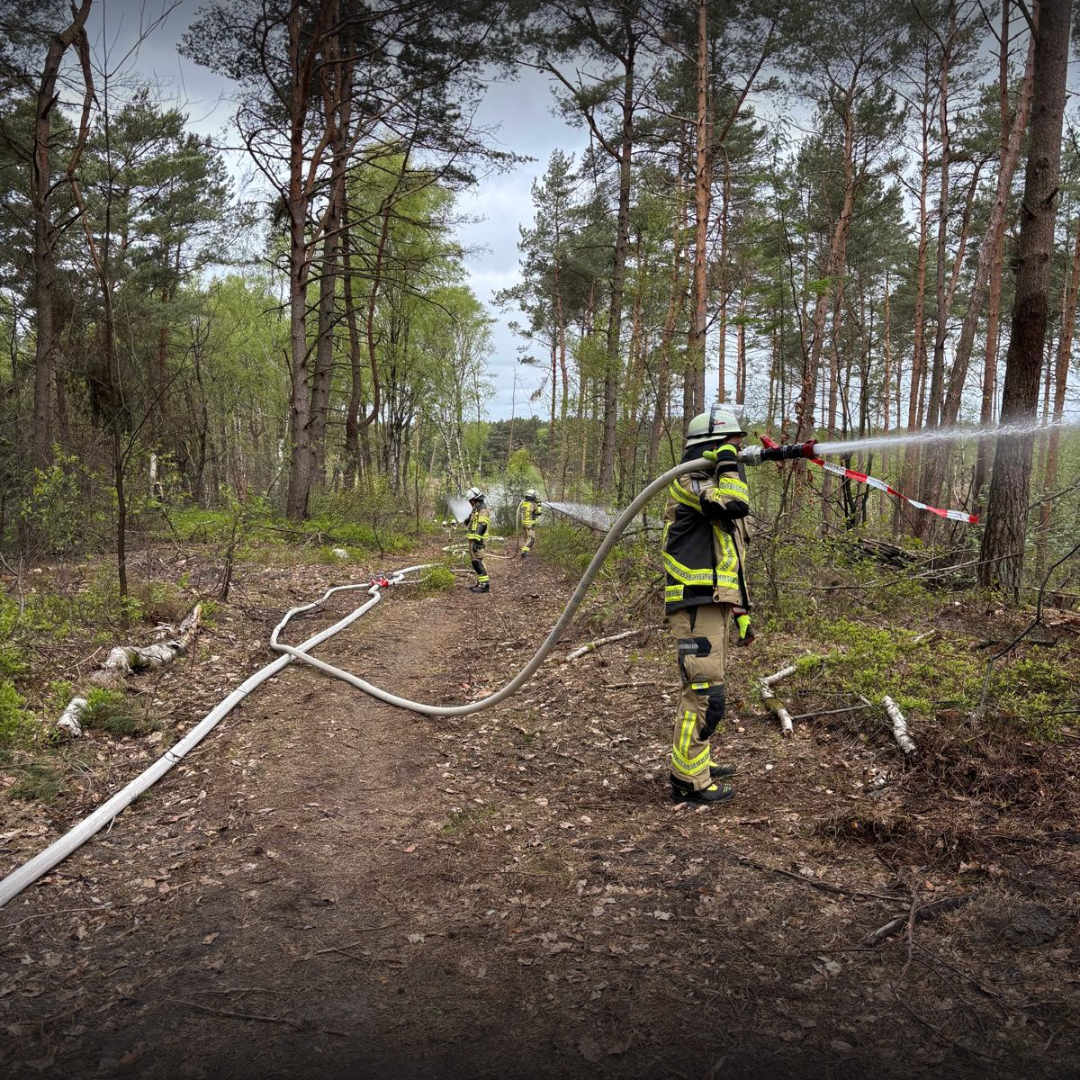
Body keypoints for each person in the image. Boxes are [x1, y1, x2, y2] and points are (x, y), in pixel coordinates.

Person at [662, 404, 753, 806]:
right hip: (694, 605)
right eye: (732, 446)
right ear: (710, 448)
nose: (737, 454)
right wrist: (728, 465)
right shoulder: (689, 483)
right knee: (704, 695)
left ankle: (697, 761)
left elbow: (727, 557)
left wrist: (741, 609)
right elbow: (734, 503)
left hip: (713, 605)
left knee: (709, 690)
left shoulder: (706, 482)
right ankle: (687, 780)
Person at [464, 487, 491, 593]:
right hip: (474, 539)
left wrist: (476, 541)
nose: (470, 503)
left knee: (478, 562)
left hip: (478, 540)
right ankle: (481, 582)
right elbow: (472, 523)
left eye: (471, 501)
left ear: (475, 499)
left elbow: (482, 525)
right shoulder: (476, 509)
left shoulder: (482, 509)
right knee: (476, 562)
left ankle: (484, 585)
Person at [518, 489, 543, 558]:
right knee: (532, 539)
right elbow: (539, 512)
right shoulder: (533, 504)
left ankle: (525, 550)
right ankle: (524, 553)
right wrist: (539, 504)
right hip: (529, 525)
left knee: (526, 539)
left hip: (524, 524)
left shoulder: (524, 503)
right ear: (533, 497)